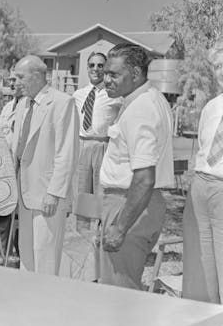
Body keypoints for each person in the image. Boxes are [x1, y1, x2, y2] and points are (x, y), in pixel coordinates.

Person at [99, 43, 174, 290]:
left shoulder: (141, 108)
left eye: (113, 74)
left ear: (135, 73)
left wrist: (120, 227)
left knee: (118, 291)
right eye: (105, 73)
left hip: (130, 205)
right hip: (138, 204)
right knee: (122, 287)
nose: (105, 79)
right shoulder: (149, 99)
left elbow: (144, 178)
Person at [11, 55, 79, 275]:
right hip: (24, 191)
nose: (16, 82)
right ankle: (27, 298)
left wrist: (54, 192)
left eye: (20, 77)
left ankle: (45, 302)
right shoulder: (23, 105)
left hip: (47, 194)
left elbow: (66, 153)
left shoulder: (62, 102)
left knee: (46, 253)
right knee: (27, 251)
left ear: (38, 75)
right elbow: (18, 146)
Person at [183, 39, 223, 305]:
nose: (220, 72)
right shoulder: (212, 106)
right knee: (203, 268)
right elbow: (202, 149)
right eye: (218, 66)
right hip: (201, 186)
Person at [72, 52, 121, 230]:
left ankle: (103, 235)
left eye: (100, 65)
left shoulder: (115, 95)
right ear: (87, 68)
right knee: (83, 194)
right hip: (83, 145)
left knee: (103, 195)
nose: (96, 69)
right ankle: (81, 236)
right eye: (92, 65)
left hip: (103, 146)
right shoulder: (78, 94)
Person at [0, 71, 22, 258]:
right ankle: (1, 244)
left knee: (16, 208)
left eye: (15, 80)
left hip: (19, 163)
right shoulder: (8, 106)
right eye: (10, 80)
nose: (11, 83)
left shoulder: (28, 106)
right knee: (2, 203)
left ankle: (16, 245)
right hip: (3, 161)